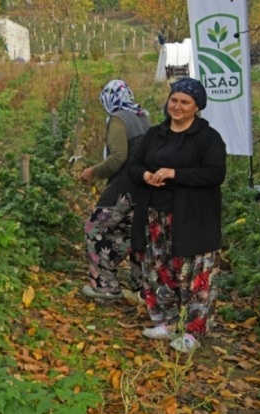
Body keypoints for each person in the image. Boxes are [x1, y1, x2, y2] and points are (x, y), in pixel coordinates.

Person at [126, 78, 226, 353]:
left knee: (196, 274)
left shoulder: (208, 138)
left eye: (185, 102)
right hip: (156, 216)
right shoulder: (156, 134)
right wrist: (145, 174)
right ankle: (167, 321)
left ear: (197, 107)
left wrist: (175, 173)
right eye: (174, 100)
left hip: (194, 217)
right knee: (161, 270)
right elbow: (133, 165)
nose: (177, 106)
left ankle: (193, 330)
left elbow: (216, 174)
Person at [79, 80, 151, 303]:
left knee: (95, 227)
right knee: (137, 232)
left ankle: (106, 285)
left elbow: (118, 157)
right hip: (146, 187)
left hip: (125, 186)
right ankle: (144, 289)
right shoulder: (143, 117)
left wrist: (93, 171)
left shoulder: (118, 119)